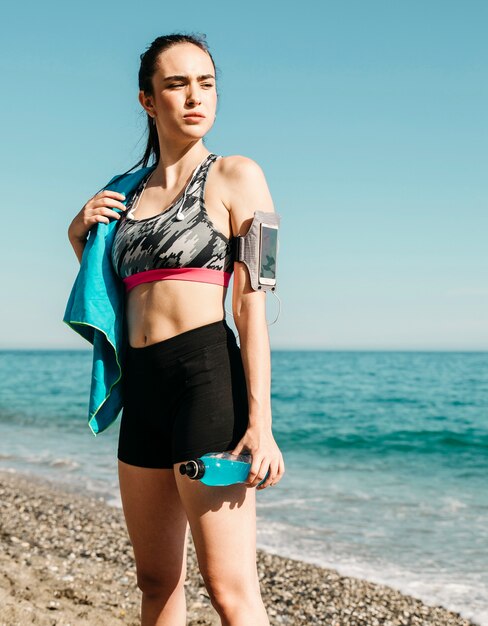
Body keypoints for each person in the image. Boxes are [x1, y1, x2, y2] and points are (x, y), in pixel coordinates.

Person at [66, 33, 285, 626]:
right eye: (176, 84)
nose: (195, 97)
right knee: (156, 580)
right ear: (146, 99)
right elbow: (104, 288)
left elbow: (253, 306)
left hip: (206, 382)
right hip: (144, 391)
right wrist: (76, 231)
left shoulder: (239, 176)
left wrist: (260, 426)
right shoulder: (125, 192)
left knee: (228, 587)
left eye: (206, 83)